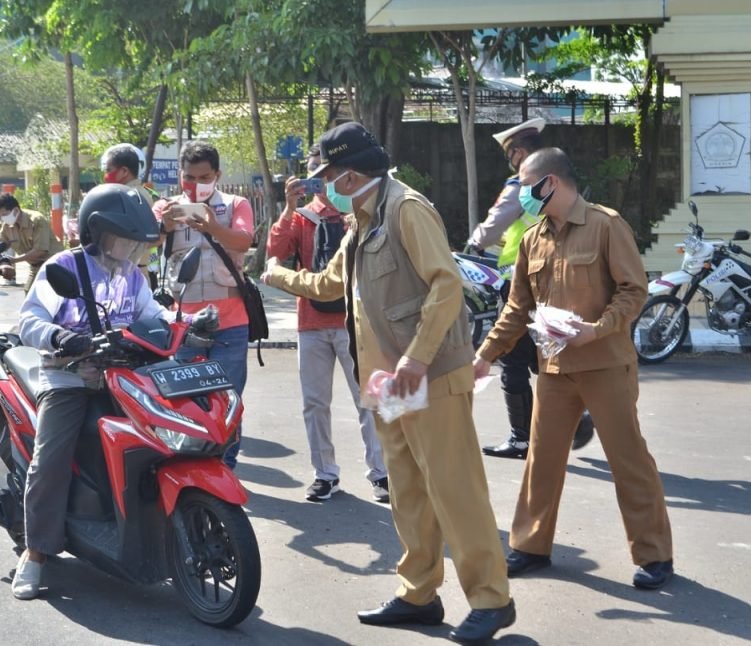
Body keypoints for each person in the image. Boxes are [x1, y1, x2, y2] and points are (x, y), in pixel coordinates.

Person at [262, 122, 515, 643]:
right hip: (387, 385)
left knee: (455, 489)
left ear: (350, 174)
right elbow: (331, 284)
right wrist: (277, 274)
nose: (322, 185)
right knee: (407, 492)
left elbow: (447, 285)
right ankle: (419, 593)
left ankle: (492, 599)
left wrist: (418, 359)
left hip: (429, 376)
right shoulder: (362, 219)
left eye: (326, 175)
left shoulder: (406, 209)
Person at [473, 148, 674, 590]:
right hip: (555, 369)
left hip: (605, 363)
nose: (521, 193)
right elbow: (516, 309)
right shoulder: (532, 239)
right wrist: (485, 355)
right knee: (541, 460)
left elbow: (633, 291)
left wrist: (596, 329)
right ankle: (530, 546)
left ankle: (654, 554)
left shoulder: (606, 225)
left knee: (628, 458)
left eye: (527, 184)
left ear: (552, 183)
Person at [11, 183, 171, 600]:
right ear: (96, 233)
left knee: (163, 441)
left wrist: (188, 322)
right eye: (125, 241)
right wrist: (62, 338)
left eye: (138, 244)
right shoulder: (63, 266)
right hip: (67, 378)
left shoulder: (133, 275)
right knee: (51, 460)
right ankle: (36, 553)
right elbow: (28, 321)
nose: (132, 251)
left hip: (122, 376)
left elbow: (153, 315)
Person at [465, 118, 594, 459]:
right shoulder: (564, 183)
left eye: (512, 156)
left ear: (519, 153)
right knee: (545, 352)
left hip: (522, 280)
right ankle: (578, 413)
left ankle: (523, 438)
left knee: (513, 359)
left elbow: (493, 227)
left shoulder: (520, 187)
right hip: (558, 277)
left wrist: (474, 243)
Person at [267, 145, 389, 503]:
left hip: (356, 320)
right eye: (316, 175)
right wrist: (288, 207)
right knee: (315, 402)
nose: (324, 182)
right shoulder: (305, 214)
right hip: (311, 320)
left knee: (367, 399)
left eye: (327, 173)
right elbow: (276, 250)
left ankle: (380, 473)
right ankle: (325, 474)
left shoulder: (359, 209)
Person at [152, 141, 254, 469]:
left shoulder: (236, 204)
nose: (195, 185)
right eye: (189, 178)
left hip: (231, 322)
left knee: (228, 400)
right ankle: (194, 469)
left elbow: (244, 240)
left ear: (217, 175)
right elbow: (144, 244)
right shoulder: (166, 207)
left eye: (204, 177)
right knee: (185, 402)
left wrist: (211, 225)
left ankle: (225, 468)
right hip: (183, 324)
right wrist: (164, 227)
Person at [101, 143, 162, 288]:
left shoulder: (128, 197)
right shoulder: (140, 193)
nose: (105, 175)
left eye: (109, 170)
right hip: (135, 272)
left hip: (126, 276)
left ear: (124, 171)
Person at [0, 193, 64, 293]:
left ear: (16, 210)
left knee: (57, 299)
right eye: (0, 216)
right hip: (35, 268)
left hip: (55, 266)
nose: (2, 218)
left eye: (4, 214)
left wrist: (14, 260)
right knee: (29, 295)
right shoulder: (7, 225)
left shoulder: (36, 220)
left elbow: (41, 251)